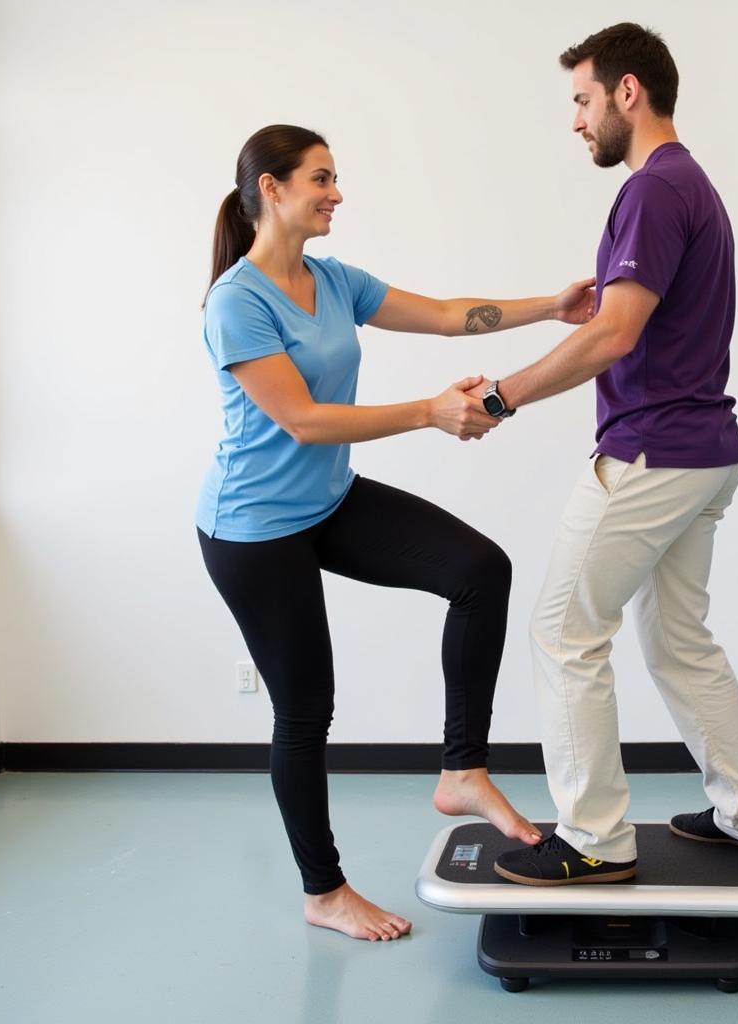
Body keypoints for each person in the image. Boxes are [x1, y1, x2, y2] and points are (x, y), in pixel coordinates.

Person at [197, 124, 596, 935]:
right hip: (252, 531)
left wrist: (549, 308)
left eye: (335, 177)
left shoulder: (332, 280)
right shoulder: (236, 303)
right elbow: (305, 420)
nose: (336, 193)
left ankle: (462, 769)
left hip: (327, 503)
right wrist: (429, 412)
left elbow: (449, 316)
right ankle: (324, 893)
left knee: (480, 570)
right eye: (320, 179)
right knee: (306, 711)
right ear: (270, 189)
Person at [477, 24, 738, 886]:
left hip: (654, 453)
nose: (575, 122)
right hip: (706, 453)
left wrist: (503, 394)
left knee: (562, 631)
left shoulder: (653, 191)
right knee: (679, 639)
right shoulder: (695, 186)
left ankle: (594, 841)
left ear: (626, 92)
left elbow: (616, 333)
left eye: (582, 100)